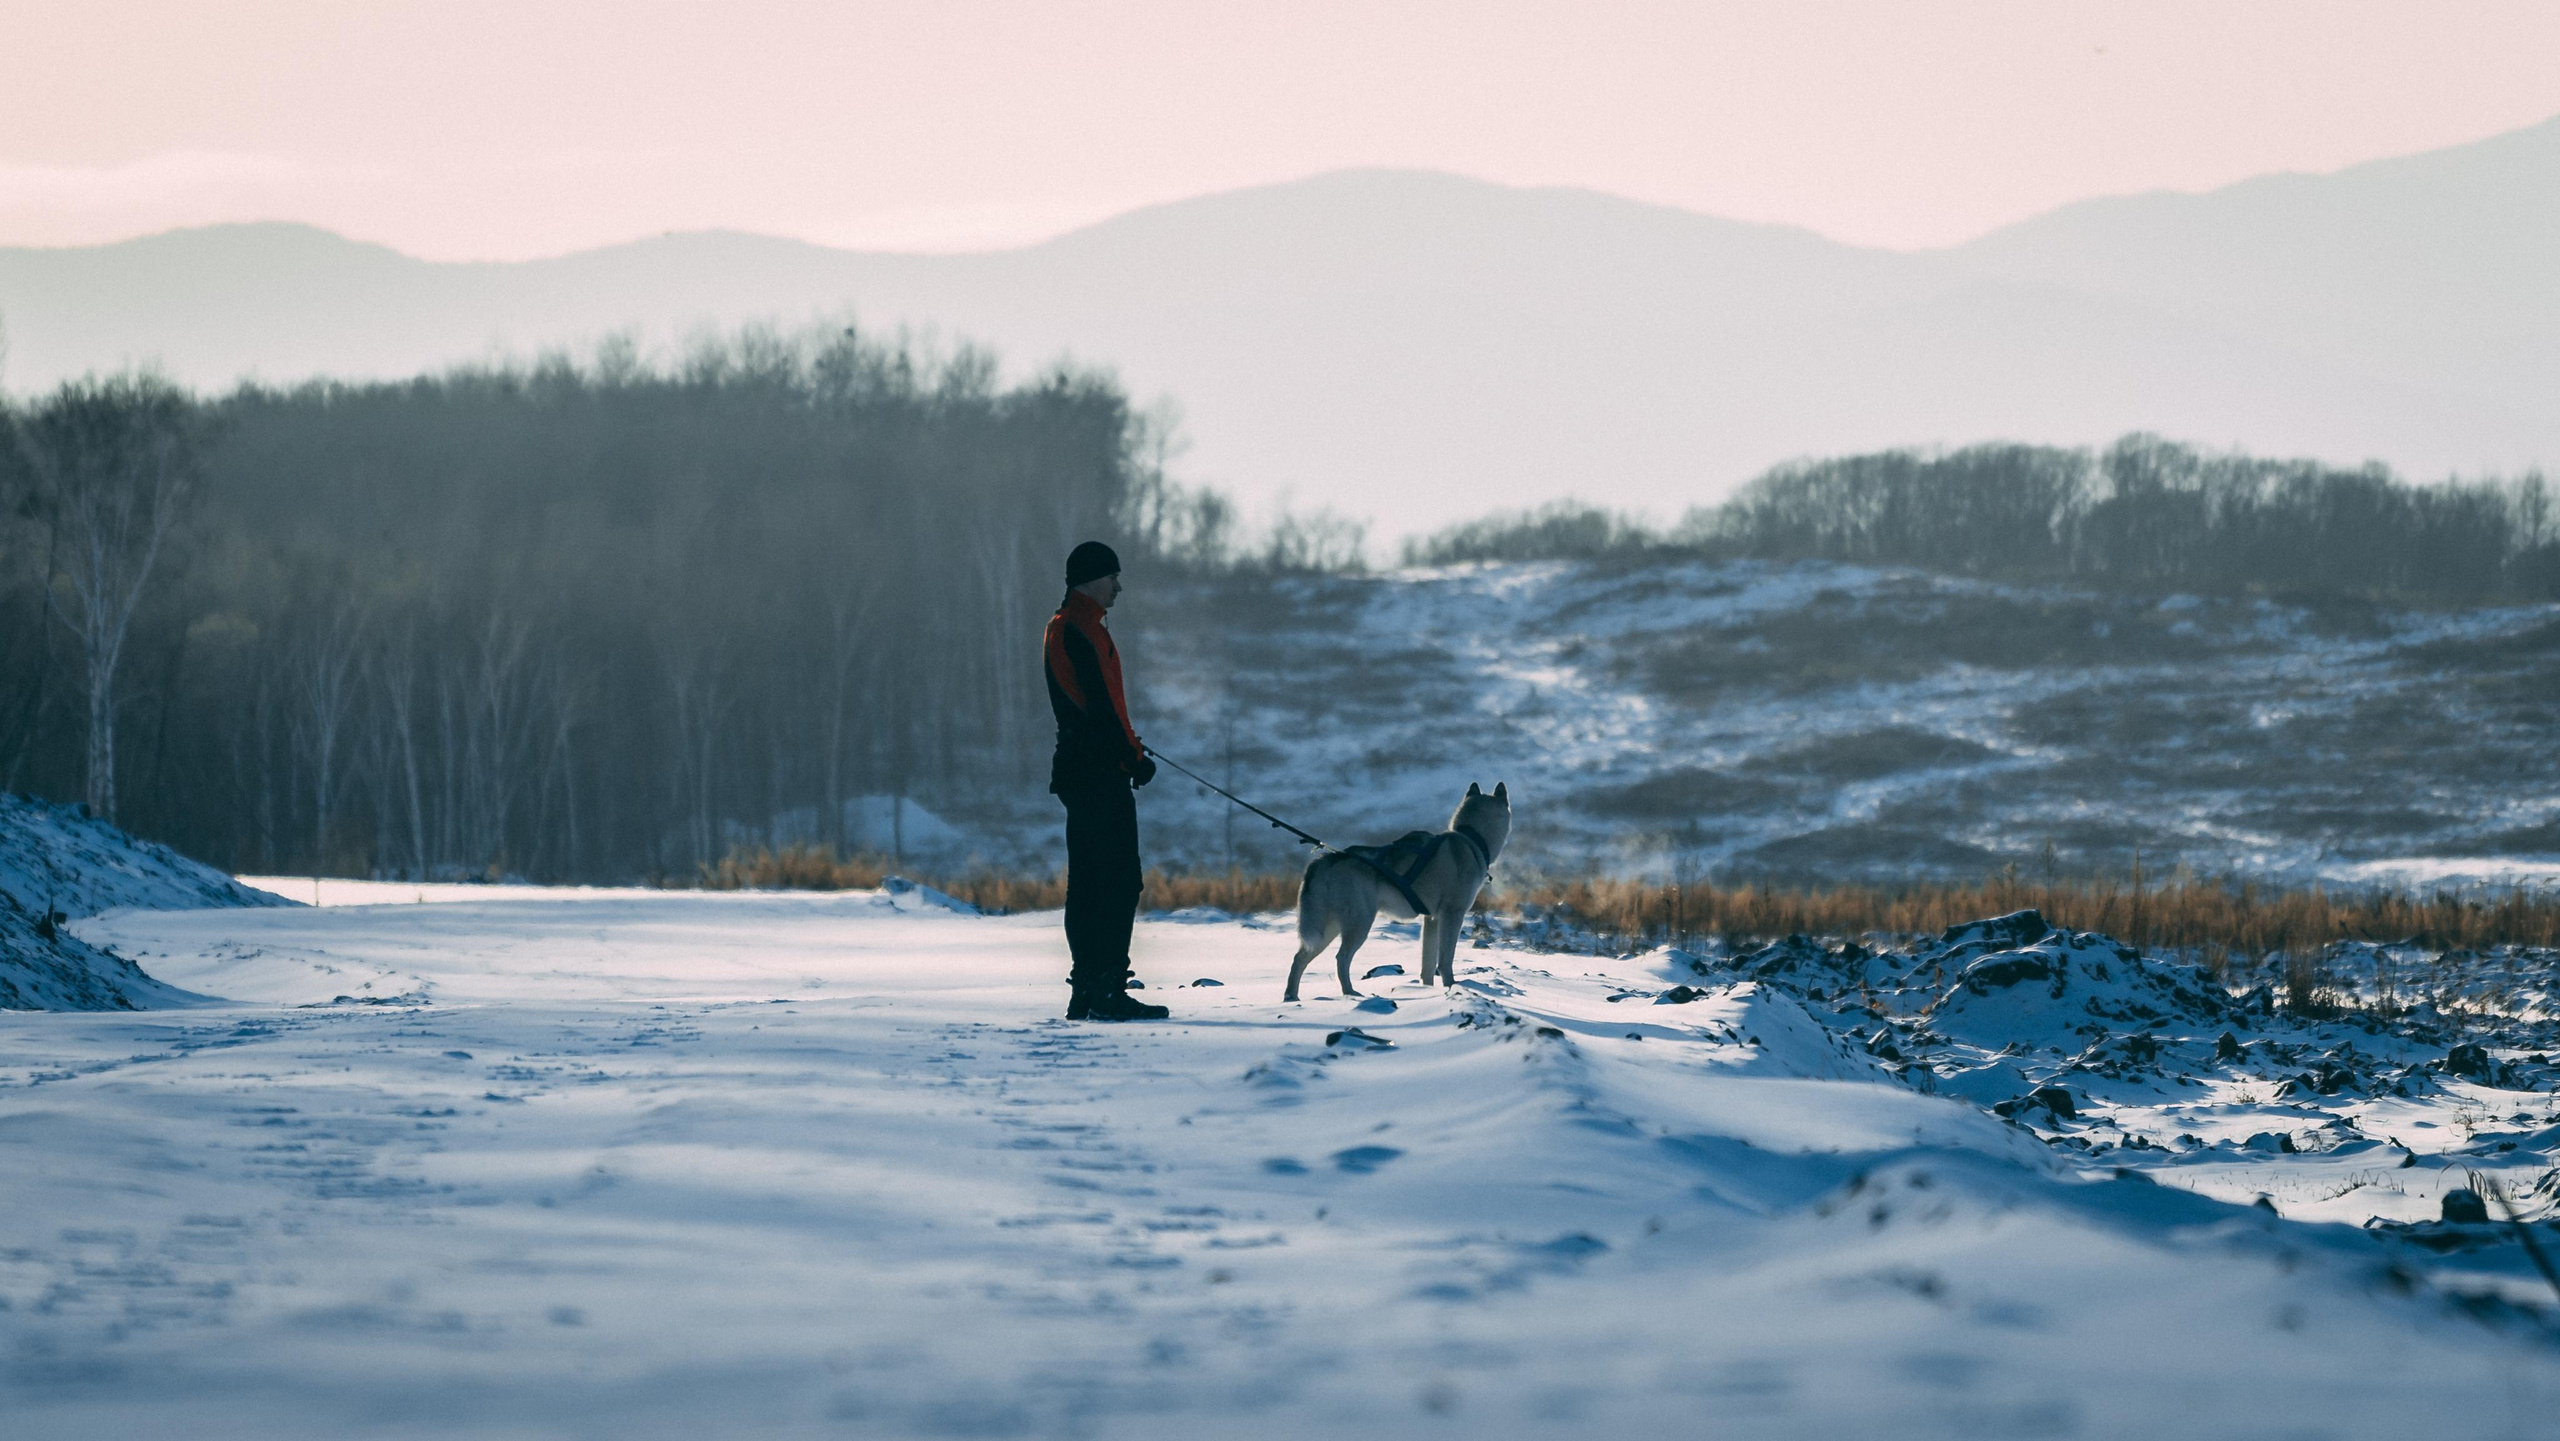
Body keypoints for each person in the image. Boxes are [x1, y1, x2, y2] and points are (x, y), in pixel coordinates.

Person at [1042, 541, 1168, 1021]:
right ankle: (1108, 990)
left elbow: (1100, 708)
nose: (1118, 586)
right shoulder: (1079, 630)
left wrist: (1130, 749)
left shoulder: (1066, 626)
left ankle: (1087, 991)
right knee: (1119, 882)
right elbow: (1101, 709)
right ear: (1090, 580)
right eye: (1112, 577)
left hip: (1079, 771)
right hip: (1097, 773)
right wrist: (1132, 758)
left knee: (1089, 883)